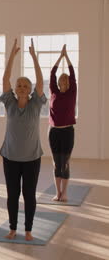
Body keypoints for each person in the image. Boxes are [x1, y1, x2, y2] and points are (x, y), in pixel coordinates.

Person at [0, 39, 47, 241]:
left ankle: (28, 229)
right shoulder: (9, 101)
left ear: (30, 89)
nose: (22, 87)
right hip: (10, 156)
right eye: (19, 85)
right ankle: (12, 227)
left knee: (29, 194)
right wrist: (11, 56)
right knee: (12, 195)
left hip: (32, 158)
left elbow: (41, 82)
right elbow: (5, 78)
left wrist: (35, 58)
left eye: (26, 85)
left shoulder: (36, 103)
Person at [49, 44, 77, 202]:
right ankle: (57, 192)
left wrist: (67, 57)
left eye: (67, 81)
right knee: (55, 163)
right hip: (53, 131)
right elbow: (52, 73)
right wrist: (60, 57)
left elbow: (73, 74)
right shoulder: (54, 91)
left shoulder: (72, 92)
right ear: (59, 82)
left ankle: (64, 192)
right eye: (63, 80)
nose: (65, 82)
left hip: (67, 132)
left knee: (64, 162)